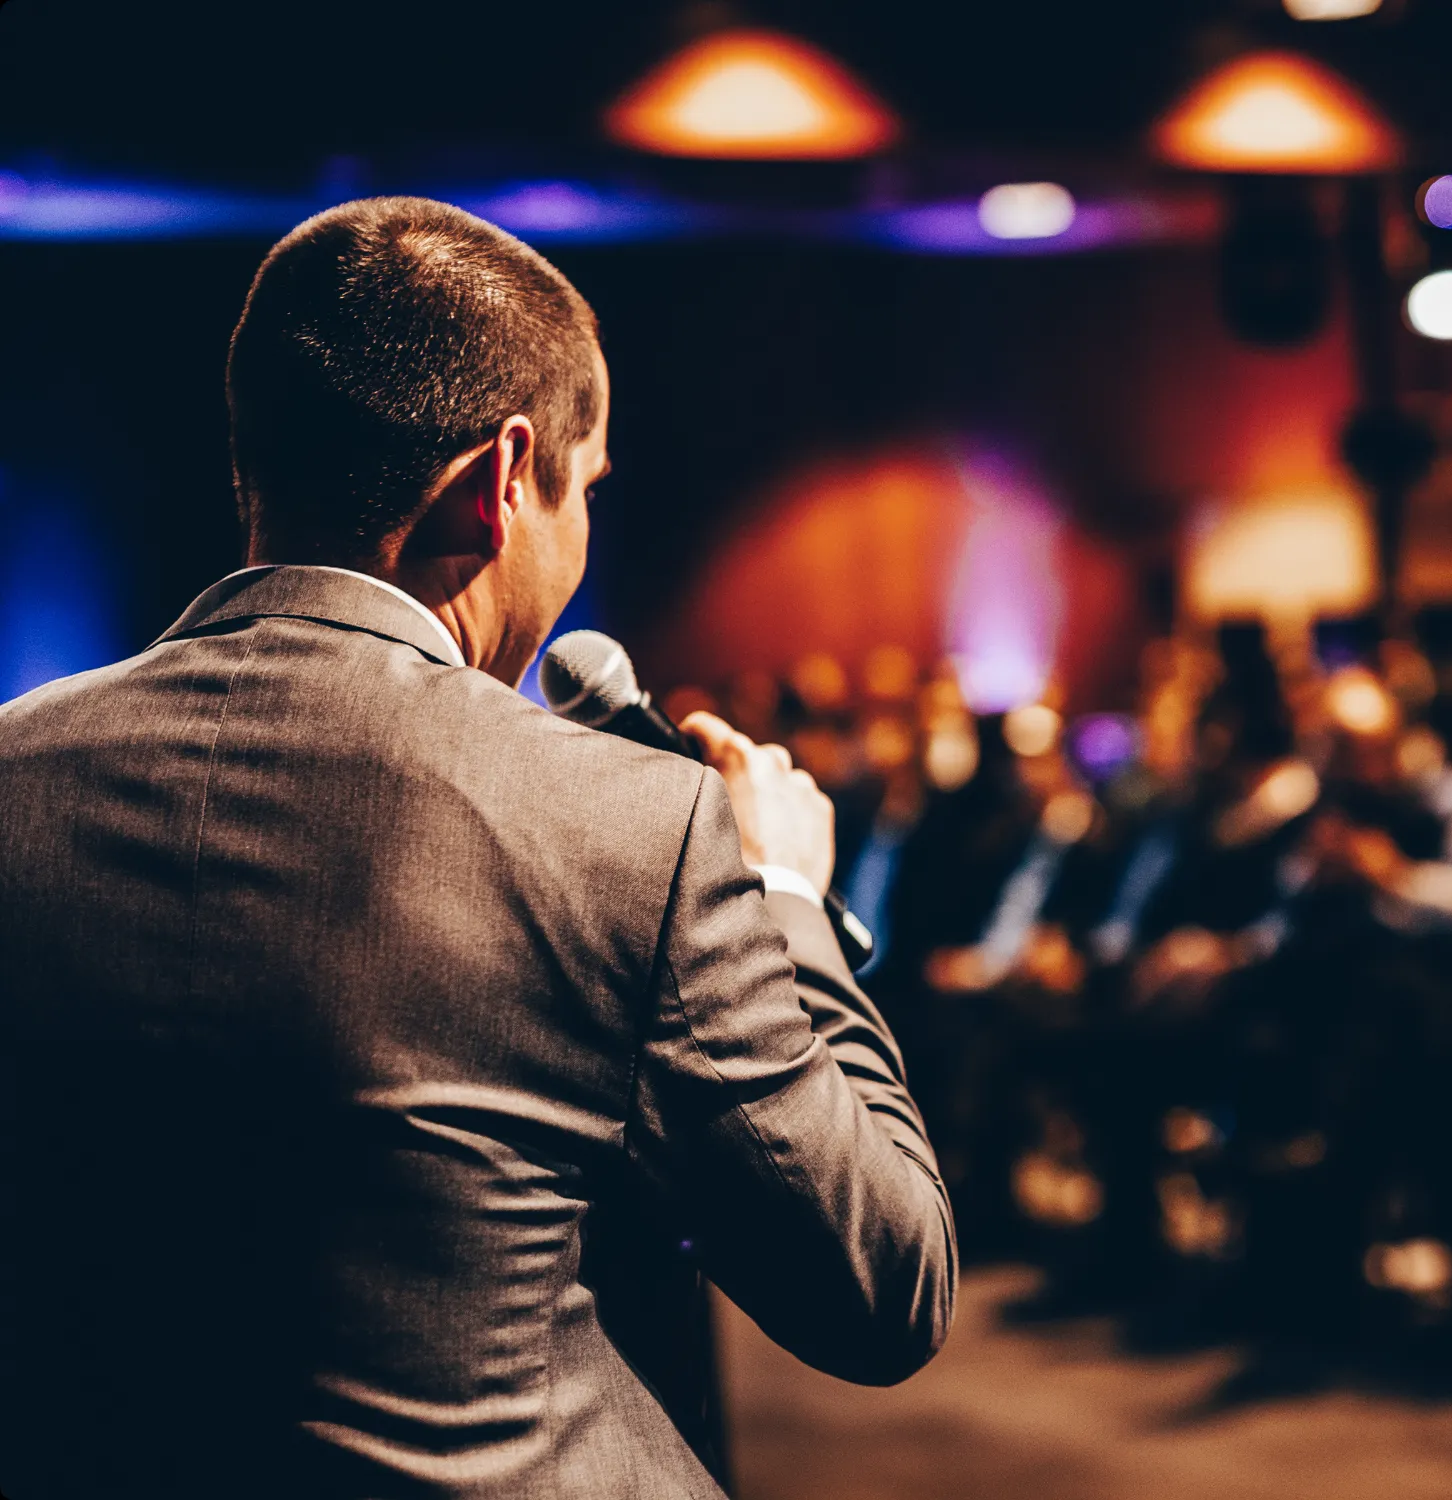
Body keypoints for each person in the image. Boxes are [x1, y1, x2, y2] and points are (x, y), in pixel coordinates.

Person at [0, 197, 954, 1500]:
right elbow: (883, 1289)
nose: (583, 536)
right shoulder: (632, 824)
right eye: (589, 488)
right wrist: (782, 894)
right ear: (506, 482)